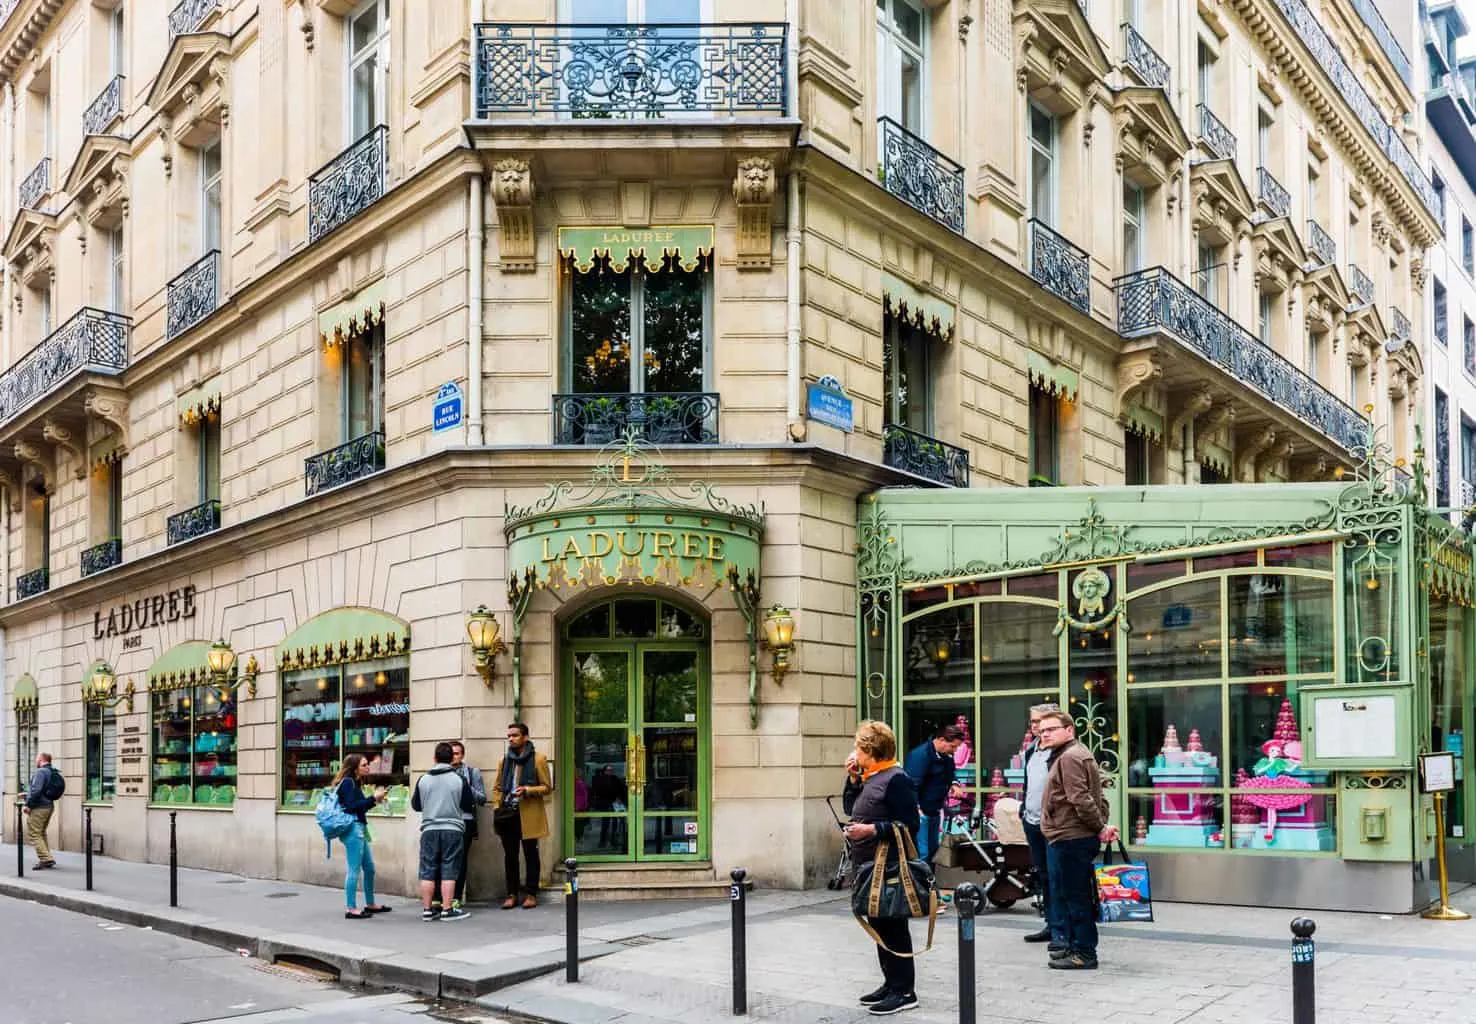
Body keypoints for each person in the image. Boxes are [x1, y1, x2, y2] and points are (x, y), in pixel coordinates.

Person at [842, 720, 920, 1017]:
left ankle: (905, 991)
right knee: (879, 924)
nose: (853, 752)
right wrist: (851, 781)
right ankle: (891, 982)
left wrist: (872, 830)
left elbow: (910, 824)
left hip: (887, 867)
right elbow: (851, 808)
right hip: (868, 865)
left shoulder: (896, 779)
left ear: (869, 750)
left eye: (857, 747)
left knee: (894, 926)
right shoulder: (870, 776)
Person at [1037, 710, 1118, 971]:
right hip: (1069, 835)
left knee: (1076, 897)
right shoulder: (1069, 754)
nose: (1045, 733)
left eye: (1051, 729)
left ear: (1069, 730)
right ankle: (1074, 946)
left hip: (1072, 837)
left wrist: (1100, 827)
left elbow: (1081, 798)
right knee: (1070, 894)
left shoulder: (1070, 757)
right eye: (1042, 730)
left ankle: (1084, 952)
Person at [412, 741, 474, 921]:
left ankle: (427, 909)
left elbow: (416, 805)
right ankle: (447, 909)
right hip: (452, 828)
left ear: (434, 758)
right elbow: (468, 803)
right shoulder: (458, 779)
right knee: (449, 868)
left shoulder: (423, 779)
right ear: (451, 759)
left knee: (427, 869)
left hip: (429, 828)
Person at [492, 723, 552, 909]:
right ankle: (511, 894)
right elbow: (497, 787)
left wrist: (527, 789)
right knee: (510, 856)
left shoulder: (539, 759)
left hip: (529, 814)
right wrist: (497, 806)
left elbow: (547, 787)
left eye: (515, 735)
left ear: (525, 737)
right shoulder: (504, 760)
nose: (511, 739)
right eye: (509, 735)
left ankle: (531, 894)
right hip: (507, 814)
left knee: (531, 854)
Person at [1019, 703, 1061, 947]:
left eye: (1040, 721)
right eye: (1032, 722)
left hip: (1054, 823)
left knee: (1058, 877)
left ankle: (1061, 928)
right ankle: (1051, 923)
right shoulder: (1031, 750)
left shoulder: (1060, 751)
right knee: (1044, 876)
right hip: (1032, 821)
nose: (1035, 726)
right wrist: (1024, 809)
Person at [332, 754, 390, 919]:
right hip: (353, 830)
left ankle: (370, 904)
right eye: (364, 765)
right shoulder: (349, 783)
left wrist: (374, 800)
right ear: (355, 767)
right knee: (354, 869)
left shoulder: (355, 783)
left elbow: (359, 808)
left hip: (360, 828)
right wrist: (372, 798)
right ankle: (351, 908)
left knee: (370, 868)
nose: (367, 767)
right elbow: (351, 808)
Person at [902, 723, 964, 872]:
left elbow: (951, 772)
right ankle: (920, 889)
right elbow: (911, 785)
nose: (954, 750)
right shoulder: (919, 756)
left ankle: (930, 888)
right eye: (953, 746)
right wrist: (916, 809)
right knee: (921, 854)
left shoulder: (946, 756)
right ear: (941, 740)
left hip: (934, 810)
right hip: (921, 813)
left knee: (933, 851)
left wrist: (954, 784)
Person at [449, 741, 487, 912]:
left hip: (465, 819)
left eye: (457, 753)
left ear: (462, 755)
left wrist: (465, 786)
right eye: (451, 753)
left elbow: (482, 798)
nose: (454, 757)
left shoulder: (472, 773)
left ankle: (456, 896)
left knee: (461, 860)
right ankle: (442, 898)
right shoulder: (441, 773)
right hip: (446, 820)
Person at [23, 752, 59, 870]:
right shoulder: (52, 771)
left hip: (39, 807)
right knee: (41, 832)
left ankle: (45, 858)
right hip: (49, 806)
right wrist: (26, 795)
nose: (35, 761)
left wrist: (28, 805)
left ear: (41, 760)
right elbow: (42, 790)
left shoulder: (40, 772)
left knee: (34, 832)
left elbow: (36, 790)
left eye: (36, 758)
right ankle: (46, 857)